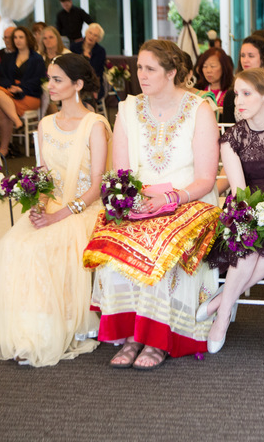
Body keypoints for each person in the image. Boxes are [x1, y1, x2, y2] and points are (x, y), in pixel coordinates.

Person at [0, 54, 110, 367]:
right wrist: (38, 207)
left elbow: (96, 188)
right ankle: (20, 331)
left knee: (49, 247)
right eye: (49, 79)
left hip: (84, 210)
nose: (49, 86)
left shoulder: (96, 125)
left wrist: (58, 216)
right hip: (50, 205)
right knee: (12, 246)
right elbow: (42, 177)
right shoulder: (46, 123)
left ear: (77, 85)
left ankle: (41, 334)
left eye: (57, 80)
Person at [84, 39, 220, 369]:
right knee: (115, 235)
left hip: (189, 200)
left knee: (160, 242)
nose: (141, 75)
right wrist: (132, 200)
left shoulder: (200, 109)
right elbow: (122, 172)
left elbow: (206, 178)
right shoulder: (128, 109)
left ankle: (158, 338)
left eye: (150, 69)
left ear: (172, 72)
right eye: (138, 68)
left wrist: (169, 199)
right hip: (141, 199)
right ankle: (132, 334)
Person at [200, 68, 264, 352]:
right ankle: (222, 318)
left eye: (247, 94)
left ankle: (220, 303)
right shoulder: (231, 138)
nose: (239, 101)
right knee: (246, 247)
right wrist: (250, 217)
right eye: (237, 94)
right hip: (243, 206)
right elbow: (238, 190)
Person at [0, 26, 45, 156]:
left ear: (27, 38)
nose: (17, 40)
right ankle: (17, 121)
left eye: (21, 37)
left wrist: (21, 87)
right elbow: (1, 76)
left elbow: (39, 79)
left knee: (2, 110)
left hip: (29, 95)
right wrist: (11, 87)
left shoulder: (37, 58)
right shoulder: (8, 58)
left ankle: (3, 148)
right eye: (15, 37)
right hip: (9, 92)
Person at [70, 23, 107, 101]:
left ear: (98, 39)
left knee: (89, 97)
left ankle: (89, 111)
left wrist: (94, 87)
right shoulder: (74, 47)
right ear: (86, 33)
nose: (91, 36)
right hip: (76, 80)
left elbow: (98, 72)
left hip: (93, 83)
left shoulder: (101, 51)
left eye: (95, 35)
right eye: (90, 33)